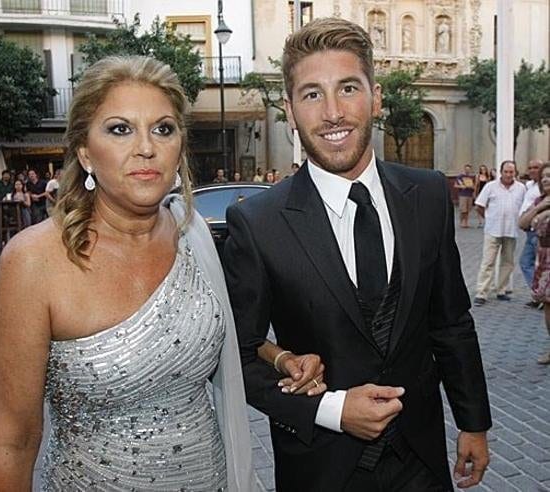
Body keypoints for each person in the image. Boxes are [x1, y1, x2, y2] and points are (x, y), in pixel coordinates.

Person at [0, 55, 323, 490]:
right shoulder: (32, 262)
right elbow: (13, 442)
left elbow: (224, 332)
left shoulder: (192, 234)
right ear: (85, 153)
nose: (146, 147)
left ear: (180, 146)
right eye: (120, 129)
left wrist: (281, 358)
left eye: (163, 129)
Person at [223, 17, 491, 491]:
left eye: (348, 88)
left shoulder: (427, 195)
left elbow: (450, 322)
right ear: (289, 110)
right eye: (312, 94)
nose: (333, 113)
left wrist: (473, 423)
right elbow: (236, 356)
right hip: (322, 469)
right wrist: (331, 408)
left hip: (421, 460)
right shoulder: (258, 222)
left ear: (376, 97)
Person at [474, 161, 526, 305]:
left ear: (515, 172)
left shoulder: (521, 188)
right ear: (501, 172)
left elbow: (525, 207)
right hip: (492, 230)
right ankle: (481, 292)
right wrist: (488, 218)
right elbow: (479, 206)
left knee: (507, 262)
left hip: (511, 230)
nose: (509, 175)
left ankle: (501, 290)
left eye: (511, 172)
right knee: (488, 262)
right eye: (506, 172)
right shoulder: (491, 186)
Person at [519, 161, 550, 364]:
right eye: (543, 176)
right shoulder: (539, 201)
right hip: (544, 259)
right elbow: (522, 223)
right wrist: (541, 207)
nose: (546, 179)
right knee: (548, 305)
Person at [518, 159, 543, 304]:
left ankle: (541, 295)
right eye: (530, 167)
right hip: (529, 232)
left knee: (534, 264)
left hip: (538, 232)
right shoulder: (530, 185)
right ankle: (538, 294)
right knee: (527, 263)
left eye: (536, 167)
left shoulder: (544, 187)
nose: (532, 170)